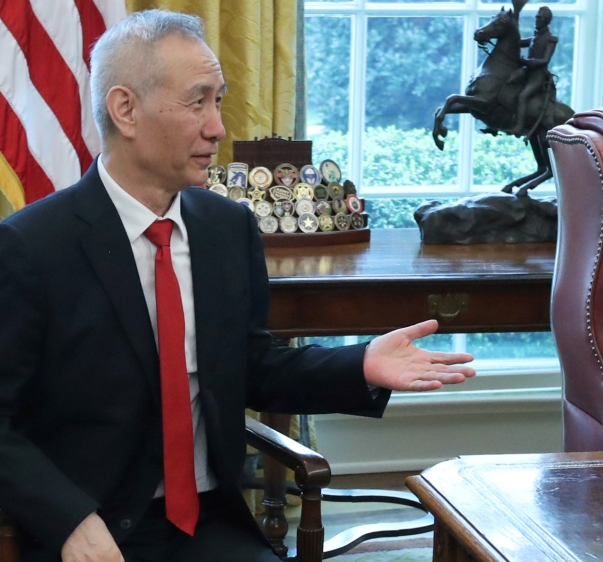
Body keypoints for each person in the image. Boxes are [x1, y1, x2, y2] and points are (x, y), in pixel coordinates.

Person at [0, 10, 474, 562]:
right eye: (196, 101)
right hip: (95, 528)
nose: (217, 127)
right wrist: (69, 520)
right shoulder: (31, 247)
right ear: (125, 109)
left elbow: (252, 367)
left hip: (209, 522)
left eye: (218, 101)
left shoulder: (226, 228)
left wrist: (360, 363)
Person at [508, 7, 558, 136]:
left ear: (546, 20)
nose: (536, 19)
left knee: (522, 96)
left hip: (538, 75)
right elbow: (516, 42)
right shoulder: (534, 37)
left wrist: (527, 61)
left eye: (539, 17)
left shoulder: (550, 39)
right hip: (527, 71)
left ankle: (519, 127)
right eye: (536, 17)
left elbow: (545, 60)